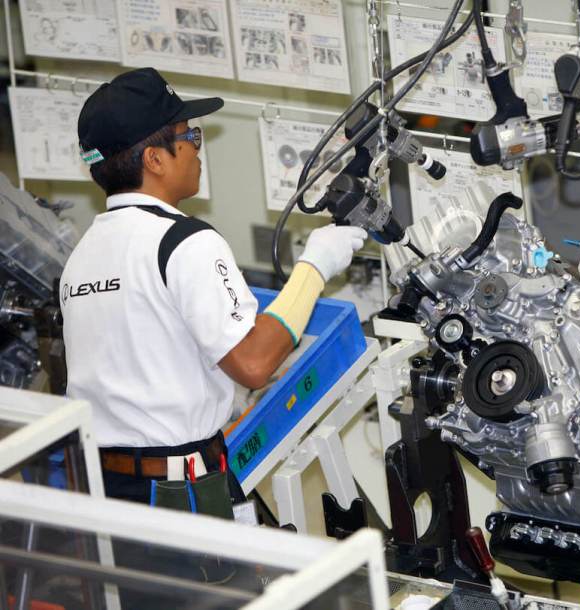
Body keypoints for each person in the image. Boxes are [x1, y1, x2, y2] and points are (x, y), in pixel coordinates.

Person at [64, 67, 367, 505]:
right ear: (155, 159)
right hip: (177, 491)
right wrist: (314, 267)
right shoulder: (185, 241)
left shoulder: (83, 254)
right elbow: (254, 363)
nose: (197, 152)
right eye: (191, 137)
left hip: (102, 489)